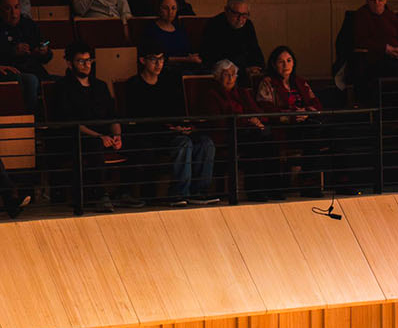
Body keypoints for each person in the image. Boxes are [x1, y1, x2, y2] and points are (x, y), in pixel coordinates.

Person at [119, 41, 217, 205]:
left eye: (161, 59)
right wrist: (169, 127)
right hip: (151, 134)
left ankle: (199, 191)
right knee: (184, 143)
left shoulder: (169, 82)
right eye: (154, 60)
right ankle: (179, 193)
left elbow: (176, 110)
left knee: (206, 143)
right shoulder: (133, 84)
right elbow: (138, 117)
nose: (159, 64)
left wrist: (182, 126)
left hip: (172, 130)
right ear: (143, 60)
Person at [51, 42, 134, 212]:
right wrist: (98, 137)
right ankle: (100, 195)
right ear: (69, 63)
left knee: (137, 139)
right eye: (81, 61)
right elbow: (71, 122)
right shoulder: (62, 87)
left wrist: (117, 135)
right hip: (77, 137)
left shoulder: (100, 86)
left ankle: (127, 192)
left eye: (89, 60)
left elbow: (113, 115)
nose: (86, 65)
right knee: (94, 145)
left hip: (104, 136)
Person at [254, 45, 324, 197]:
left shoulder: (300, 82)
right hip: (282, 127)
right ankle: (308, 182)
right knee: (313, 131)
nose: (286, 65)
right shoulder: (267, 83)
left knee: (319, 130)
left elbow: (316, 104)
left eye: (289, 60)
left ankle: (312, 181)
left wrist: (305, 113)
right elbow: (266, 109)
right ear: (273, 64)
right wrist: (292, 116)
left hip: (305, 123)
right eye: (281, 61)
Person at [202, 57, 275, 199]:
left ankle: (272, 188)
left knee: (267, 136)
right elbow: (219, 123)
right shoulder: (212, 95)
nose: (230, 78)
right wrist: (249, 121)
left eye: (233, 74)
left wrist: (257, 121)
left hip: (247, 132)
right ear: (218, 76)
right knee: (256, 138)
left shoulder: (242, 93)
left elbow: (258, 112)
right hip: (227, 135)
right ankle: (255, 191)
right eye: (226, 75)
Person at [0, 0, 49, 111]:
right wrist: (12, 52)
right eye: (8, 8)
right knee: (31, 80)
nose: (14, 13)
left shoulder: (29, 25)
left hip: (35, 69)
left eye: (16, 7)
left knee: (64, 81)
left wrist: (43, 52)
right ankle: (30, 122)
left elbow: (46, 57)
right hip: (12, 71)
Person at [198, 0, 262, 79]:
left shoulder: (248, 25)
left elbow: (255, 51)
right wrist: (244, 70)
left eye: (244, 15)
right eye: (236, 14)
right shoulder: (214, 25)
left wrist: (258, 68)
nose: (240, 19)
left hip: (247, 71)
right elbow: (214, 59)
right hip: (224, 74)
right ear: (226, 11)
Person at [148, 0, 198, 65]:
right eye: (166, 8)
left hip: (186, 67)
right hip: (164, 69)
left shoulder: (180, 29)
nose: (170, 12)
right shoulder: (152, 31)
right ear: (159, 9)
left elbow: (188, 51)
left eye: (173, 8)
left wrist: (193, 56)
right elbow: (157, 58)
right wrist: (186, 59)